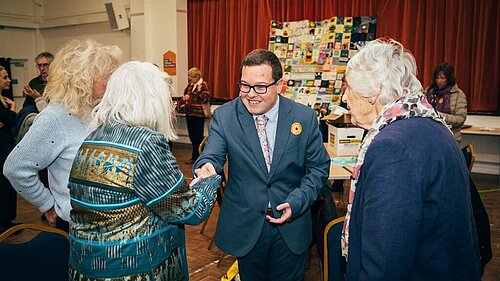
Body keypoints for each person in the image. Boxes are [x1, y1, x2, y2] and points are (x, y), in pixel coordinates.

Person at [340, 38, 480, 280]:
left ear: (372, 93)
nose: (344, 98)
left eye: (349, 88)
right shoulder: (430, 124)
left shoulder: (392, 148)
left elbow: (385, 264)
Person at [67, 61, 220, 280]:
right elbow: (191, 211)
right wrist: (208, 180)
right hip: (131, 267)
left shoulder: (93, 137)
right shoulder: (146, 142)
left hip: (87, 264)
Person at [193, 49, 330, 280]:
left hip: (291, 227)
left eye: (260, 87)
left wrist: (297, 201)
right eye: (244, 85)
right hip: (246, 226)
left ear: (280, 85)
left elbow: (318, 168)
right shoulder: (226, 116)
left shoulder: (303, 117)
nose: (250, 94)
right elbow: (212, 154)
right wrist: (207, 166)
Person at [3, 39, 122, 233]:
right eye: (107, 74)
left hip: (111, 223)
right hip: (79, 225)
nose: (113, 80)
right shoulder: (55, 117)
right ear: (83, 77)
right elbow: (15, 168)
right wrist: (47, 204)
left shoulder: (100, 111)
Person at [425, 62, 467, 144]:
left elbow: (461, 119)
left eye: (442, 78)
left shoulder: (458, 94)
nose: (439, 81)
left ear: (449, 78)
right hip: (429, 136)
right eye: (437, 78)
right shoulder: (428, 91)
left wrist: (441, 116)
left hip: (450, 138)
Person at [0, 66, 19, 233]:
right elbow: (10, 119)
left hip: (5, 141)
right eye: (5, 77)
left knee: (6, 181)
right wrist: (13, 106)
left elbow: (6, 121)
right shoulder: (5, 102)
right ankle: (3, 222)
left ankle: (6, 218)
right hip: (1, 145)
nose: (8, 80)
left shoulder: (2, 99)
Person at [182, 67, 210, 164]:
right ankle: (194, 157)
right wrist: (185, 97)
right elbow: (186, 93)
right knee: (192, 136)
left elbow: (205, 99)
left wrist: (199, 91)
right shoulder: (190, 85)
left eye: (192, 77)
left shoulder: (203, 85)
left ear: (197, 77)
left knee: (198, 136)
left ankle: (202, 157)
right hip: (189, 114)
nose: (190, 79)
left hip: (198, 115)